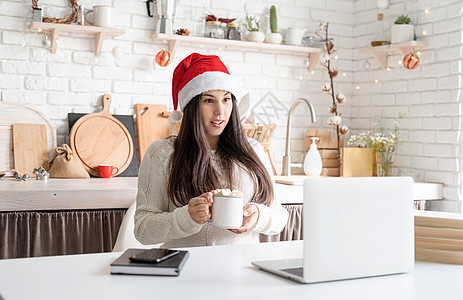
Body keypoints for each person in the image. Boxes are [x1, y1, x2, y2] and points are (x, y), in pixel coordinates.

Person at [134, 53, 288, 248]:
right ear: (191, 105)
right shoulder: (162, 154)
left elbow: (280, 217)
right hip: (184, 270)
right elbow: (142, 230)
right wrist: (185, 218)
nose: (220, 111)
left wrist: (259, 216)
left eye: (226, 99)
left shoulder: (254, 150)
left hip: (241, 271)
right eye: (209, 100)